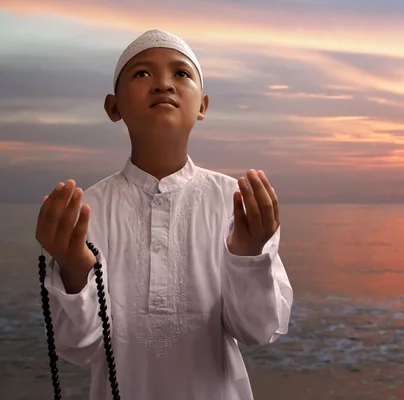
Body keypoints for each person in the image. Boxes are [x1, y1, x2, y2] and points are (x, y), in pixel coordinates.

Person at [34, 29, 293, 400]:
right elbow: (77, 348)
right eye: (142, 74)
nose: (163, 85)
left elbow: (259, 330)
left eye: (181, 74)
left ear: (202, 105)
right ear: (113, 106)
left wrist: (249, 254)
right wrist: (74, 267)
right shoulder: (82, 212)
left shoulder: (237, 203)